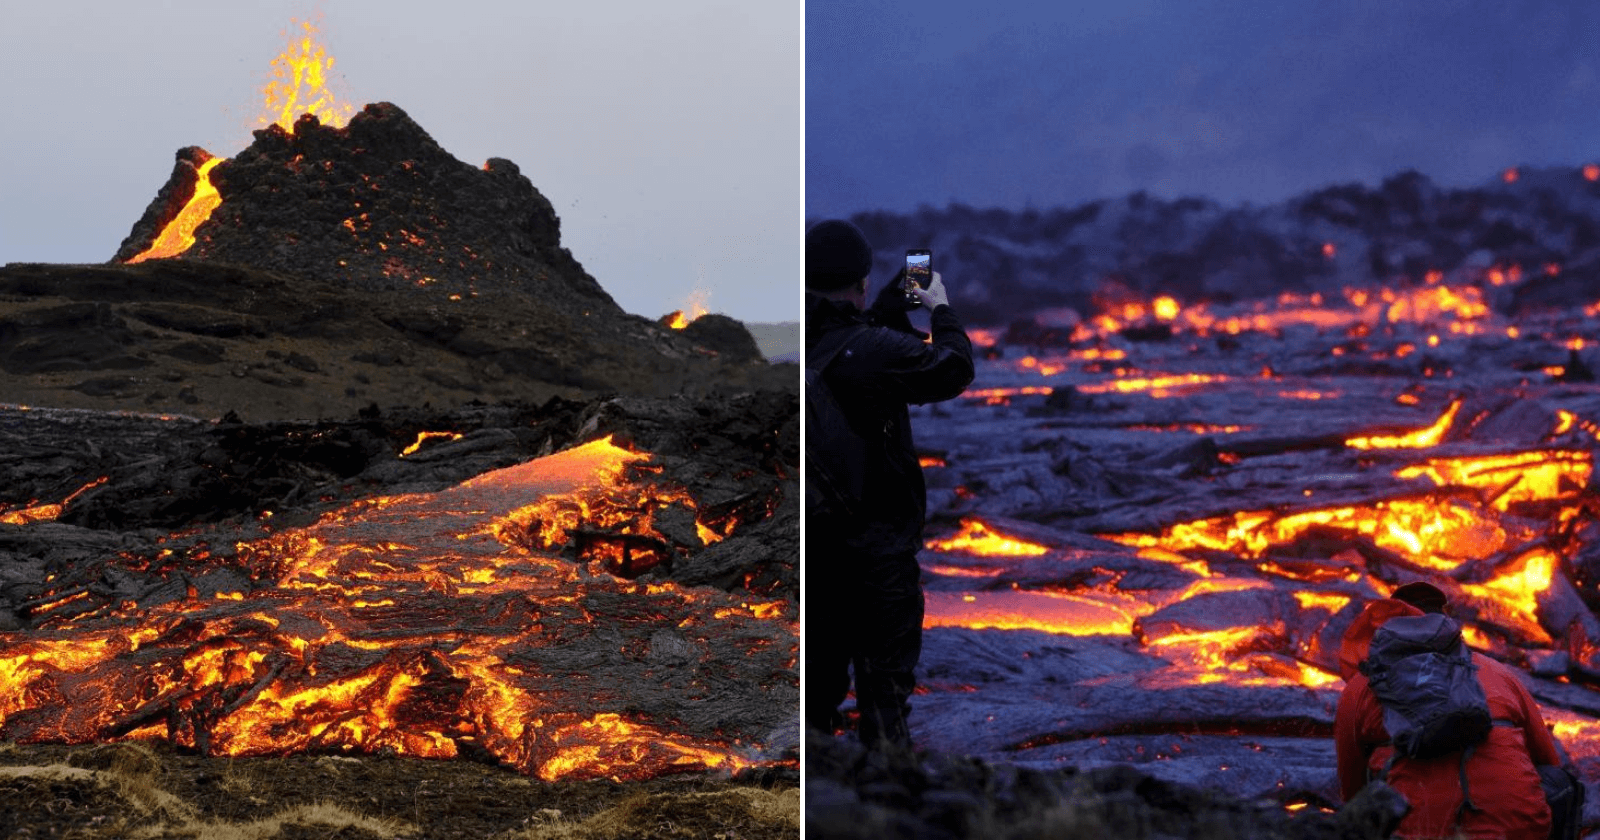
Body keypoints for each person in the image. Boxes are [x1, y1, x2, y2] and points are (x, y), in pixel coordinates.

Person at [804, 218, 974, 748]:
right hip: (876, 554)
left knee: (814, 701)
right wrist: (939, 308)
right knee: (884, 700)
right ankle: (887, 809)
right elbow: (952, 369)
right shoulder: (872, 348)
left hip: (811, 551)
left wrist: (883, 312)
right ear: (860, 282)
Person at [1334, 581, 1563, 839]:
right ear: (1447, 624)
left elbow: (1352, 789)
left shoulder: (1361, 686)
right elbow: (1549, 761)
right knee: (1559, 782)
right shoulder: (1496, 671)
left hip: (1417, 832)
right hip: (1518, 829)